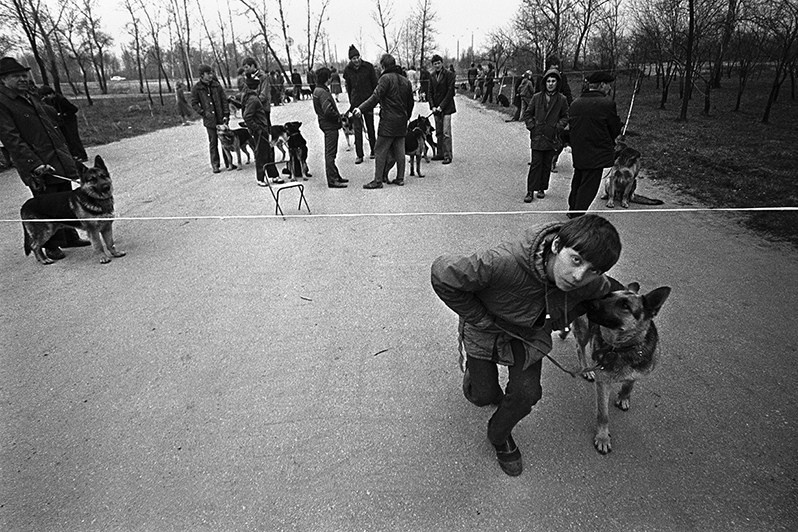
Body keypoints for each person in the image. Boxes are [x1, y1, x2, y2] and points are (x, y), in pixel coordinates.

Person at [430, 214, 623, 476]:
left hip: (529, 336)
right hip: (486, 329)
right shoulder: (501, 262)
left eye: (593, 270)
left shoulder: (590, 283)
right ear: (556, 246)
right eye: (576, 260)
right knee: (483, 396)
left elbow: (613, 294)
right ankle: (478, 381)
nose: (579, 276)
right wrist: (478, 317)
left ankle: (499, 436)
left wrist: (639, 325)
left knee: (527, 394)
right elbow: (443, 273)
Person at [0, 56, 91, 259]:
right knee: (46, 204)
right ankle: (50, 245)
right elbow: (11, 139)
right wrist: (34, 164)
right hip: (38, 164)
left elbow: (51, 127)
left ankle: (69, 237)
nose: (23, 79)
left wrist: (67, 154)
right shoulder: (4, 103)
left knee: (65, 198)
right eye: (17, 76)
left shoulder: (30, 96)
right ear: (3, 80)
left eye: (24, 75)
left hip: (57, 157)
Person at [353, 53, 414, 189]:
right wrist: (406, 116)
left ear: (383, 66)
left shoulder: (385, 79)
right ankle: (400, 178)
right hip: (402, 121)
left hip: (388, 121)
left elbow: (375, 97)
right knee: (400, 150)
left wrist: (360, 109)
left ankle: (378, 180)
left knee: (379, 149)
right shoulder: (406, 81)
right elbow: (411, 103)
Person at [567, 71, 622, 217]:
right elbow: (614, 129)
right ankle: (578, 216)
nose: (609, 88)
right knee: (589, 186)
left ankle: (572, 209)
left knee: (578, 180)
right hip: (597, 153)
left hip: (579, 150)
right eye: (608, 85)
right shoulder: (607, 104)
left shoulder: (575, 103)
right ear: (602, 85)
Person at [522, 68, 569, 203]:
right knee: (536, 164)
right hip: (537, 136)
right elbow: (528, 113)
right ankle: (530, 191)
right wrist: (532, 126)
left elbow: (565, 116)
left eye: (553, 81)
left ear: (557, 83)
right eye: (548, 81)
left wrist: (557, 127)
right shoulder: (537, 97)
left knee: (546, 164)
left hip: (552, 137)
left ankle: (541, 188)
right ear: (544, 83)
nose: (550, 83)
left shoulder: (562, 99)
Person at [240, 77, 281, 187]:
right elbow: (247, 116)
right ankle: (260, 178)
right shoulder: (253, 99)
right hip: (260, 130)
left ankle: (274, 175)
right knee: (261, 155)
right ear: (257, 87)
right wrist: (257, 128)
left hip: (262, 129)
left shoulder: (250, 97)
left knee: (268, 152)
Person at [312, 67, 348, 189]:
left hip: (325, 124)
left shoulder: (318, 90)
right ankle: (332, 180)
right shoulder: (322, 92)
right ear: (327, 78)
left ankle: (335, 175)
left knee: (330, 152)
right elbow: (327, 110)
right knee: (330, 153)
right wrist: (338, 118)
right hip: (330, 125)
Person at [535, 56, 573, 172]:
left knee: (556, 136)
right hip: (543, 110)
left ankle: (552, 160)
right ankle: (538, 158)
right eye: (553, 68)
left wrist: (569, 108)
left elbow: (567, 92)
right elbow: (536, 95)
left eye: (557, 68)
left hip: (557, 109)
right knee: (540, 135)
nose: (555, 70)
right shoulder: (542, 78)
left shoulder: (562, 78)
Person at [190, 64, 230, 173]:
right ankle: (215, 164)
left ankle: (228, 163)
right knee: (213, 143)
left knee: (225, 141)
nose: (211, 75)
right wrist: (203, 112)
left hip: (221, 118)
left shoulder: (217, 85)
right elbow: (194, 103)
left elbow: (224, 100)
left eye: (211, 73)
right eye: (208, 73)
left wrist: (226, 114)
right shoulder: (197, 88)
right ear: (202, 75)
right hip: (210, 121)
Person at [343, 45, 378, 164]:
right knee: (357, 129)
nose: (356, 60)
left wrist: (375, 100)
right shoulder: (347, 70)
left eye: (357, 57)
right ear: (350, 60)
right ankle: (359, 155)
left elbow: (375, 85)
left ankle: (374, 150)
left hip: (368, 102)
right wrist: (351, 102)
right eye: (353, 58)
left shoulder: (368, 67)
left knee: (370, 127)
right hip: (355, 103)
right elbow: (349, 87)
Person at [37, 85, 88, 161]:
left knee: (74, 137)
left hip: (70, 120)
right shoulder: (52, 100)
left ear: (51, 93)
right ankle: (75, 154)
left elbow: (74, 109)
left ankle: (83, 155)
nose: (46, 98)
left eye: (47, 95)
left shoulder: (61, 99)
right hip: (63, 121)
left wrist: (63, 114)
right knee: (68, 138)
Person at [428, 54, 456, 165]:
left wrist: (441, 106)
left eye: (439, 63)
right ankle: (440, 153)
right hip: (436, 109)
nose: (437, 65)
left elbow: (450, 92)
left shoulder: (449, 75)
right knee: (438, 132)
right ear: (433, 65)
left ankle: (448, 155)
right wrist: (433, 106)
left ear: (442, 63)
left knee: (446, 132)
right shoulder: (432, 76)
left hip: (447, 108)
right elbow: (429, 92)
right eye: (435, 64)